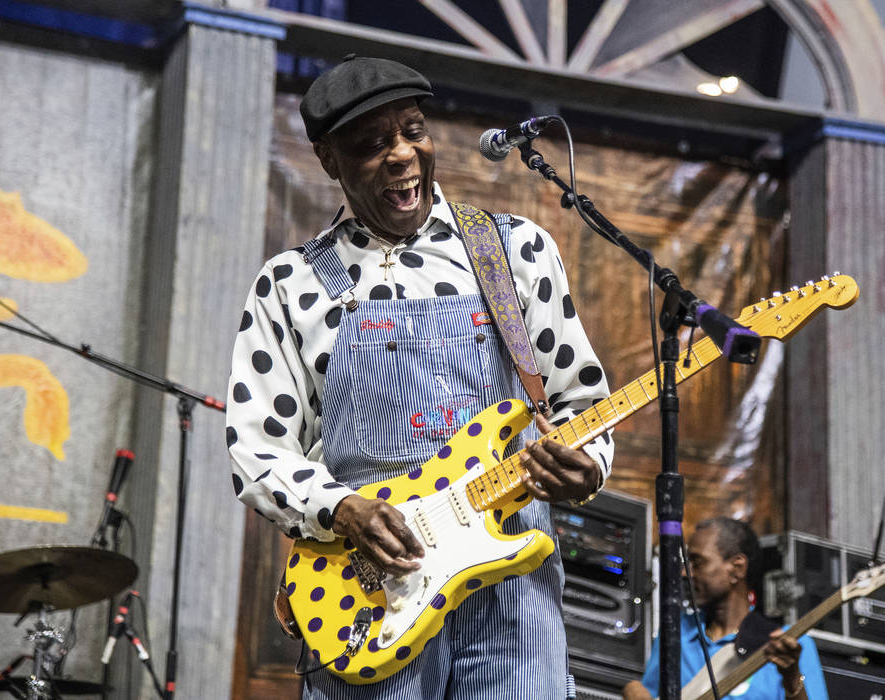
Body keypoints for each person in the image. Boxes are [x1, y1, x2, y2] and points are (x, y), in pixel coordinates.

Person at [225, 55, 614, 699]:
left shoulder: (514, 251)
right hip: (371, 597)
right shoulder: (291, 285)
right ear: (328, 160)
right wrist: (343, 509)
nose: (402, 154)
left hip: (508, 586)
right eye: (373, 144)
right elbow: (257, 449)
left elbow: (577, 397)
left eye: (413, 130)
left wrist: (586, 464)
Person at [622, 518, 828, 700]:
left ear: (737, 568)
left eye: (697, 562)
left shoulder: (788, 643)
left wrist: (792, 678)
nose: (686, 573)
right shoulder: (675, 634)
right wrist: (634, 691)